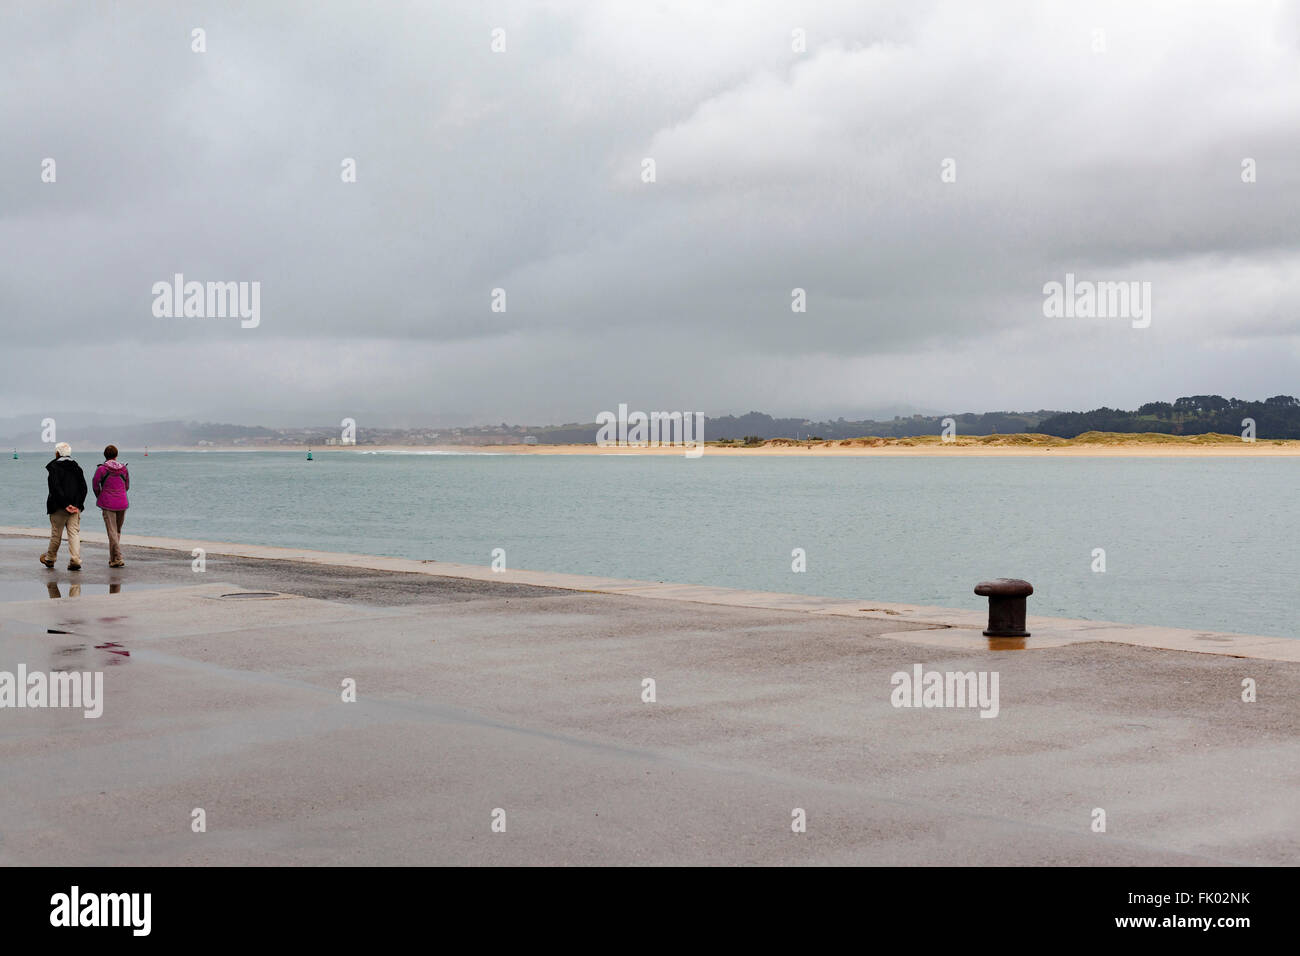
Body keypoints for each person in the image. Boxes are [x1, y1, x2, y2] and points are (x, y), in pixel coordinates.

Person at [42, 442, 87, 571]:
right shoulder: (77, 467)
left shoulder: (54, 467)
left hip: (58, 507)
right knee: (74, 534)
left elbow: (55, 488)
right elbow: (83, 488)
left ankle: (50, 559)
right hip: (75, 507)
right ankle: (75, 560)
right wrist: (77, 505)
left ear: (57, 453)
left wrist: (65, 504)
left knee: (56, 534)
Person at [92, 444, 130, 568]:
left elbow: (95, 485)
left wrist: (100, 496)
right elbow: (127, 486)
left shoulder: (102, 469)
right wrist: (120, 494)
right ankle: (113, 559)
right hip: (122, 502)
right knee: (117, 531)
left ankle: (118, 557)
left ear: (105, 455)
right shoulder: (124, 468)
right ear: (116, 455)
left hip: (108, 503)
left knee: (112, 532)